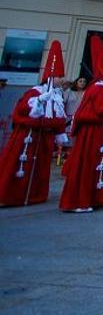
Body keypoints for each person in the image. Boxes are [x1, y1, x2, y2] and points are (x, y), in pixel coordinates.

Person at [59, 35, 103, 212]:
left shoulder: (99, 88)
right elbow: (102, 110)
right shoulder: (99, 89)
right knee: (86, 166)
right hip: (92, 134)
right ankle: (79, 200)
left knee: (94, 164)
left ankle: (93, 198)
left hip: (98, 132)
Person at [0, 40, 69, 207]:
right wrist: (38, 108)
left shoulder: (57, 97)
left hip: (44, 137)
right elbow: (21, 113)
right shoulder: (35, 93)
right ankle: (10, 195)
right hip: (28, 136)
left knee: (39, 168)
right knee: (19, 165)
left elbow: (59, 117)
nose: (62, 80)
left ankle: (34, 194)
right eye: (59, 76)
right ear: (51, 77)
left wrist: (58, 129)